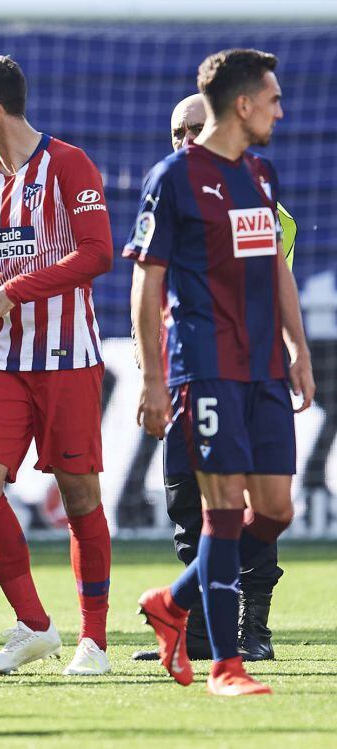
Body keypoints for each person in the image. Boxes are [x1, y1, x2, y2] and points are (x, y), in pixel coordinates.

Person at [128, 49, 314, 696]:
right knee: (222, 508)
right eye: (272, 99)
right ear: (242, 104)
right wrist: (153, 378)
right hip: (204, 366)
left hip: (263, 366)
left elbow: (276, 267)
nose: (280, 111)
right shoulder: (172, 177)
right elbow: (145, 285)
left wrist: (299, 346)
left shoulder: (261, 173)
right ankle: (224, 665)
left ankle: (172, 602)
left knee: (276, 510)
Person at [0, 53, 115, 676]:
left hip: (67, 356)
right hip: (0, 358)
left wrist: (17, 290)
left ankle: (93, 642)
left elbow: (98, 254)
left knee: (78, 494)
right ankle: (35, 625)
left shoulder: (68, 163)